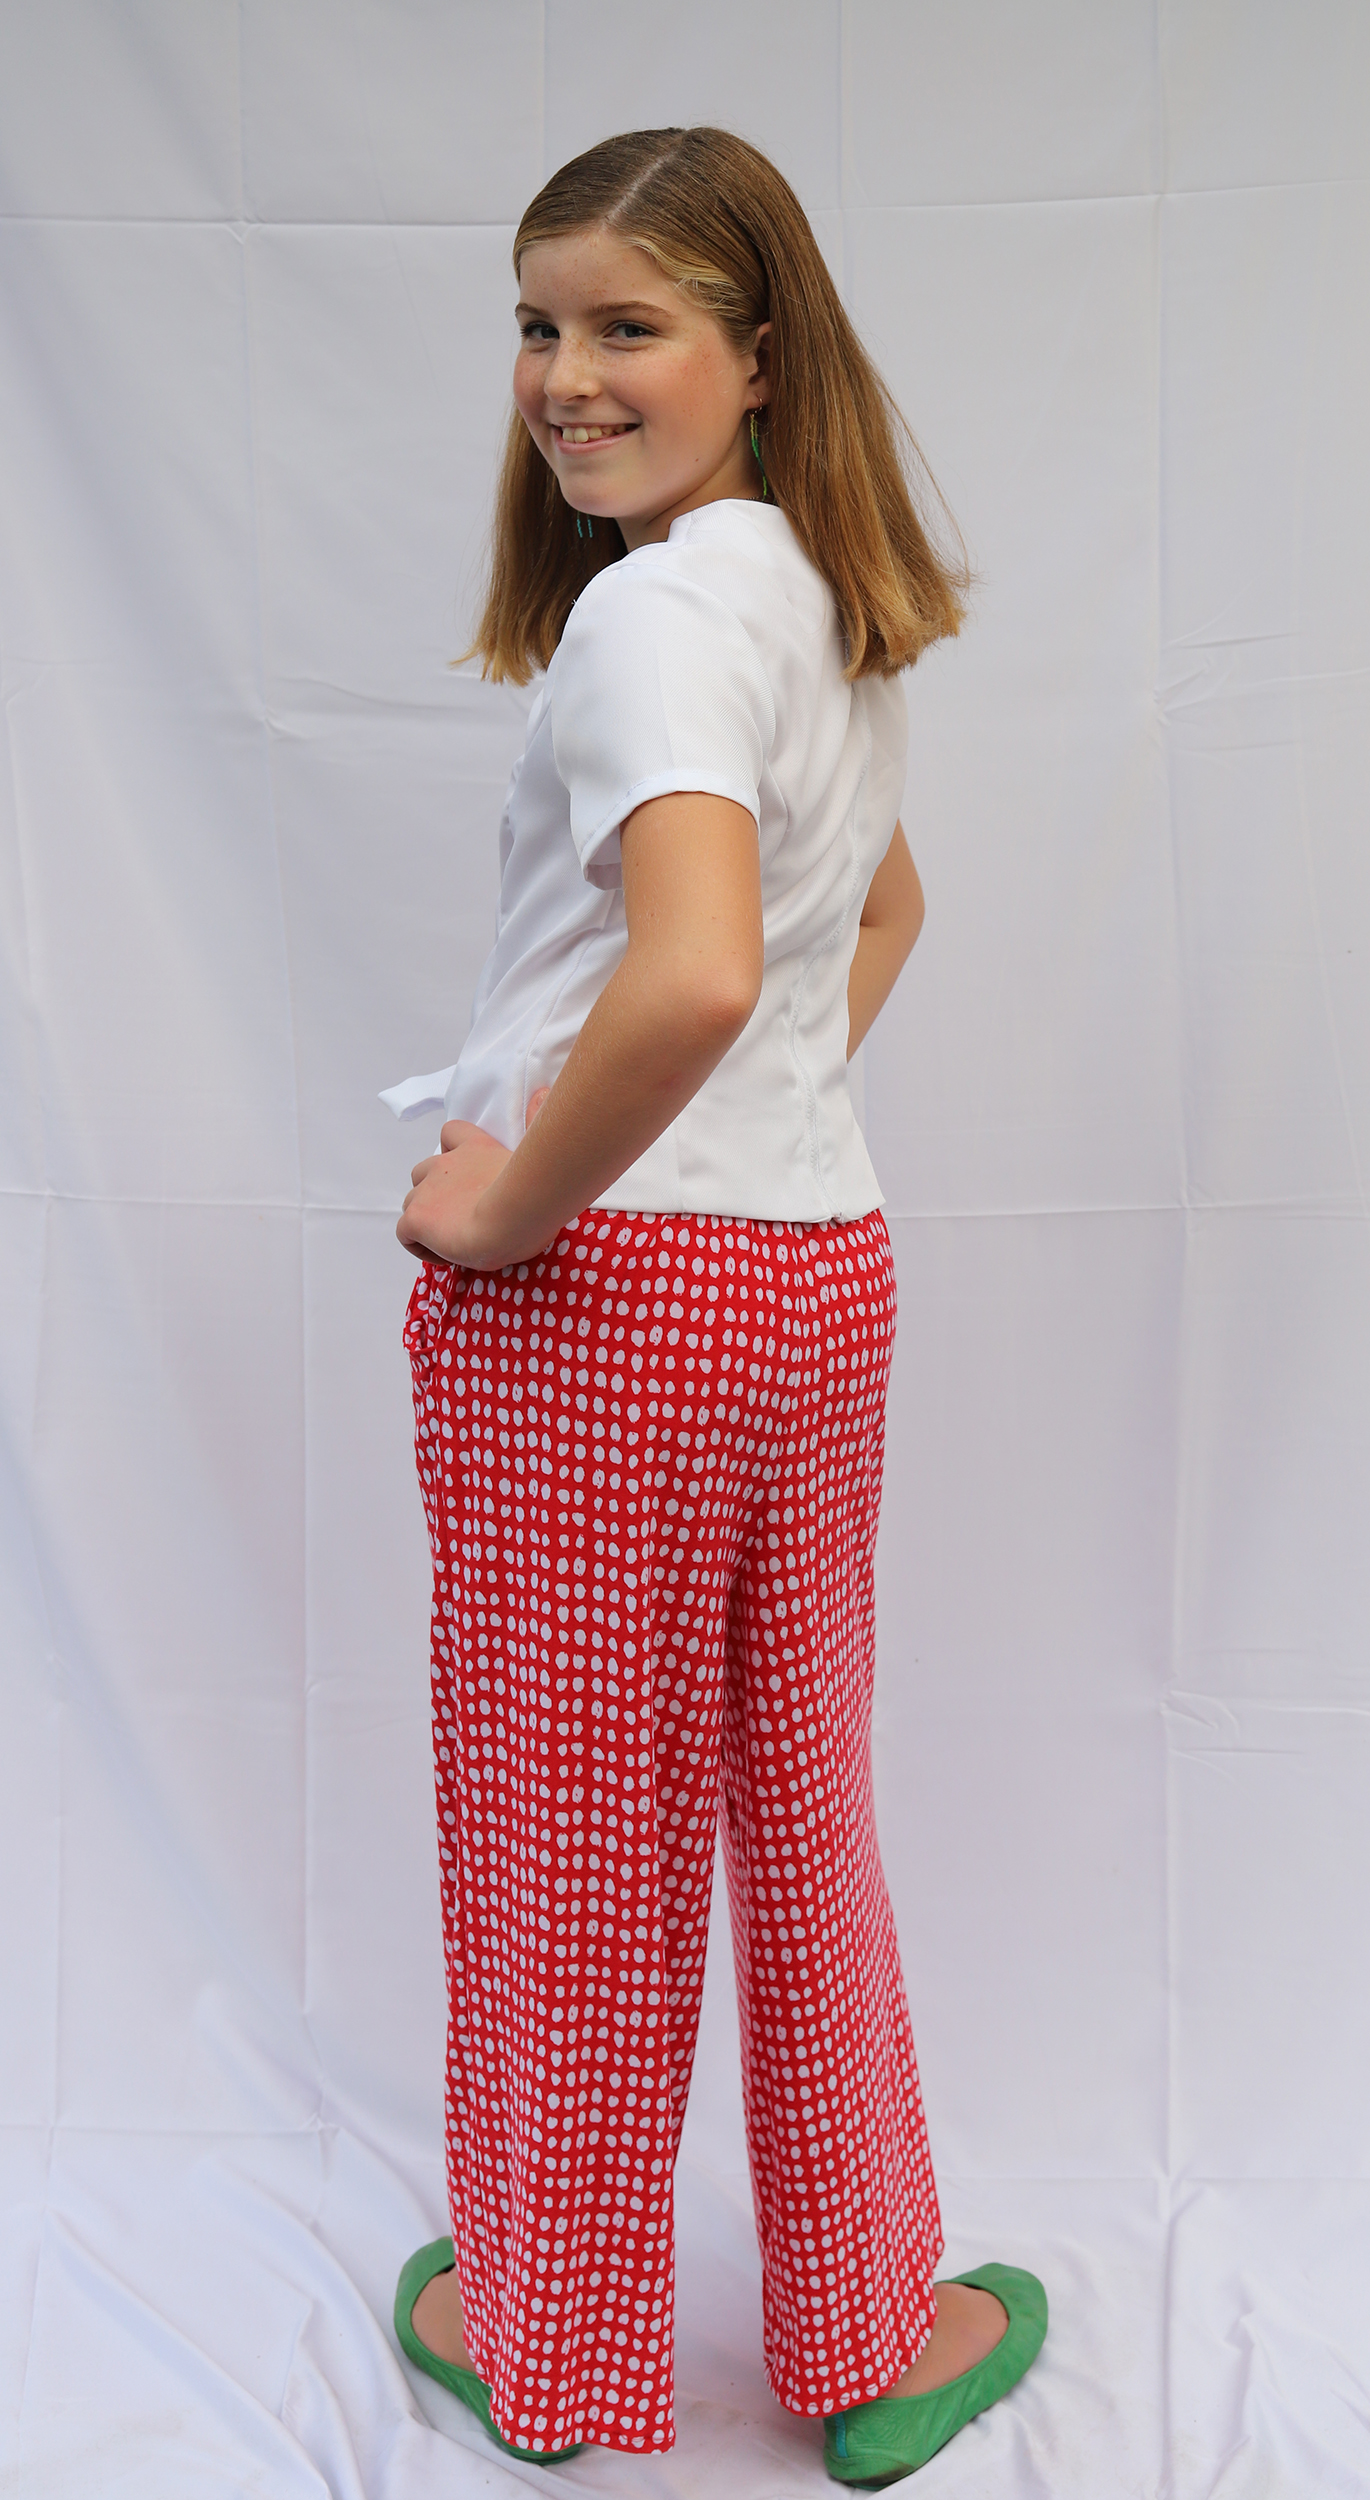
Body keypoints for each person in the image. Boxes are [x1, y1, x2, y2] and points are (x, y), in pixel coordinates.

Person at [384, 125, 1046, 2483]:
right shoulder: (820, 606)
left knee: (568, 1827)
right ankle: (871, 2325)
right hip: (811, 1278)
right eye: (540, 327)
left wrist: (504, 1214)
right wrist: (749, 1123)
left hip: (616, 1307)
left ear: (758, 358)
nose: (565, 377)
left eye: (625, 326)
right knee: (795, 1792)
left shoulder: (654, 618)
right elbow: (871, 927)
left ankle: (551, 2342)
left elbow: (684, 972)